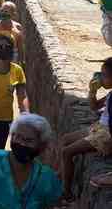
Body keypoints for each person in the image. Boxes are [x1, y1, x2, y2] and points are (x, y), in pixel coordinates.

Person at [58, 57, 112, 202]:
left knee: (67, 152)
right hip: (100, 128)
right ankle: (62, 175)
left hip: (105, 135)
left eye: (104, 76)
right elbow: (94, 107)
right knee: (65, 140)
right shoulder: (110, 94)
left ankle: (66, 192)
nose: (100, 78)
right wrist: (92, 92)